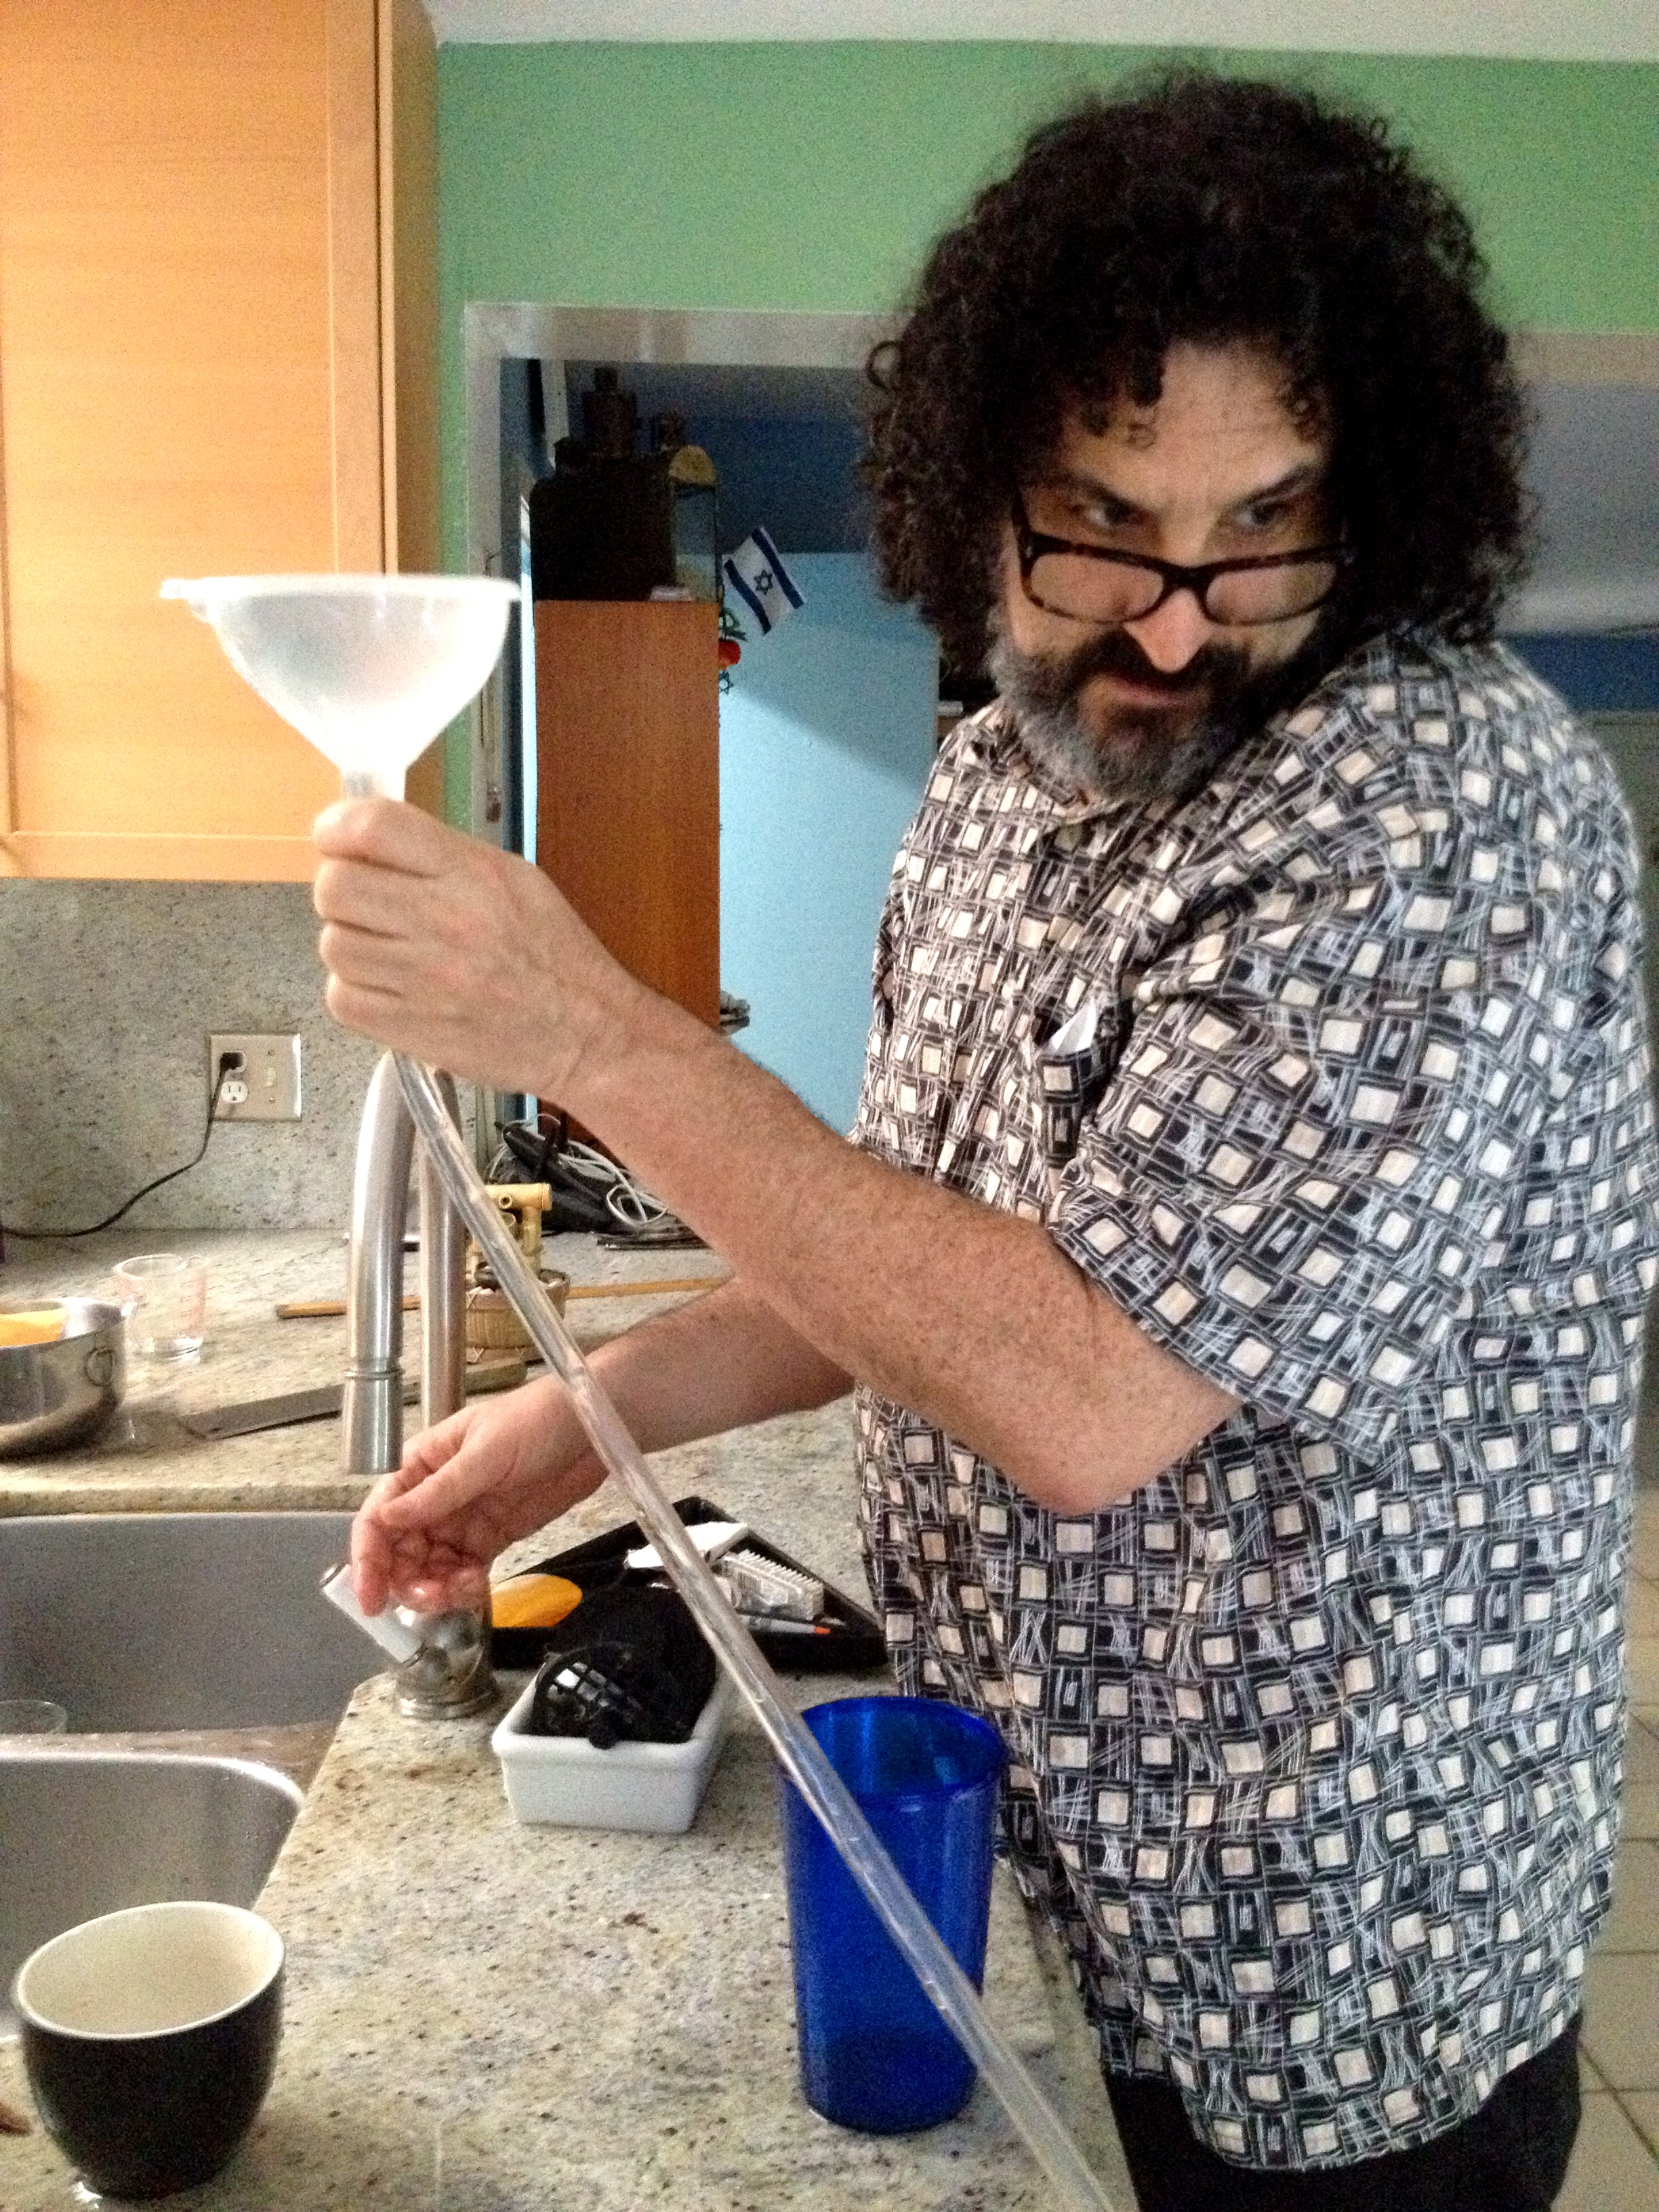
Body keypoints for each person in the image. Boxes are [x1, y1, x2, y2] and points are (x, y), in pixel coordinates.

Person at [314, 73, 1658, 2211]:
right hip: (1020, 1876)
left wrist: (588, 1027)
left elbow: (1080, 1388)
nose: (1177, 624)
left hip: (1310, 1975)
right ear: (976, 495)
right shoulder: (1000, 781)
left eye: (1264, 527)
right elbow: (919, 1255)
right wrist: (599, 1412)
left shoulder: (1433, 817)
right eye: (1103, 524)